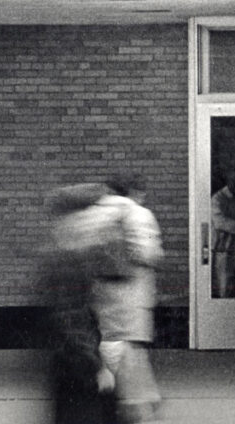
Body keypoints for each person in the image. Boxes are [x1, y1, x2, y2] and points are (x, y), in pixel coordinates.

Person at [91, 174, 165, 424]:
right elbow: (149, 254)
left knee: (112, 340)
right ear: (133, 191)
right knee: (131, 346)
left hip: (104, 290)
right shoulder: (139, 214)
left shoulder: (96, 215)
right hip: (134, 290)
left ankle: (133, 395)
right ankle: (133, 399)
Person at [45, 182, 118, 424]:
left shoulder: (76, 255)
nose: (101, 220)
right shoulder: (67, 261)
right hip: (78, 365)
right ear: (75, 218)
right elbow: (72, 319)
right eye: (94, 212)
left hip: (76, 361)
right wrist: (96, 366)